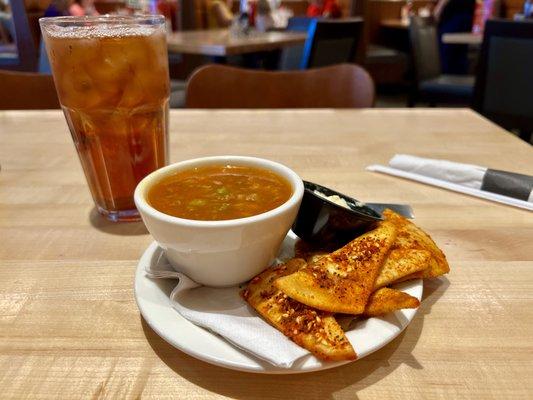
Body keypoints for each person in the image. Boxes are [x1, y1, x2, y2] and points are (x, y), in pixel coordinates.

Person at [434, 0, 476, 74]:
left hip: (453, 15)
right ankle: (459, 80)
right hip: (467, 13)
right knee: (460, 56)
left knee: (447, 58)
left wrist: (439, 8)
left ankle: (448, 81)